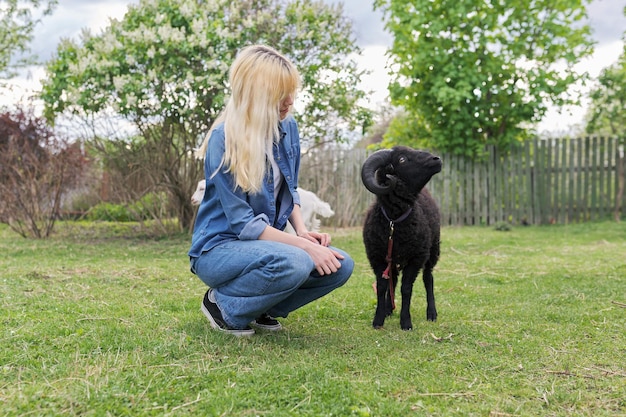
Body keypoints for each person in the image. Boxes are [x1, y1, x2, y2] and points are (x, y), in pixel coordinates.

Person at [188, 45, 354, 336]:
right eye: (280, 94)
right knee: (298, 259)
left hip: (267, 247)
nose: (289, 101)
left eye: (291, 91)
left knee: (341, 264)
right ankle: (223, 305)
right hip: (217, 250)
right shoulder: (223, 139)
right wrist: (304, 247)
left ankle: (261, 305)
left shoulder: (288, 128)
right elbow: (244, 224)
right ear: (255, 95)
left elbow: (291, 191)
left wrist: (302, 233)